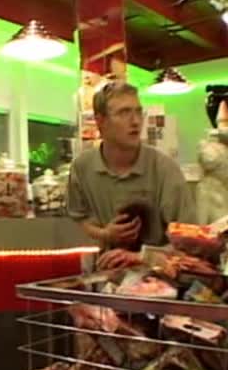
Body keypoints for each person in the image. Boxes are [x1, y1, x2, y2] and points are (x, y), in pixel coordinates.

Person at [67, 82, 196, 270]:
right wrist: (105, 235)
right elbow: (77, 223)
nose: (135, 121)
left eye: (138, 112)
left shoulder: (165, 169)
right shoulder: (82, 167)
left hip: (157, 278)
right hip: (103, 276)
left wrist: (140, 257)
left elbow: (191, 243)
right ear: (100, 121)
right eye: (124, 113)